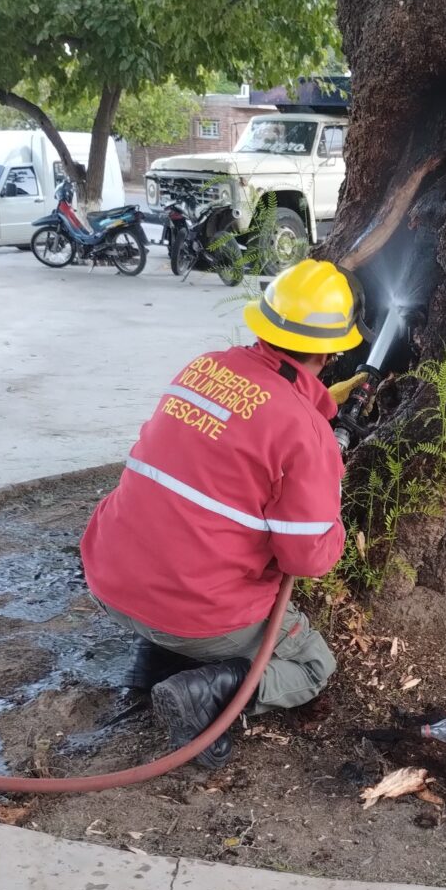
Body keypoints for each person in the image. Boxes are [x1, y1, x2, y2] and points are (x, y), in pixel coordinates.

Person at [80, 258, 363, 769]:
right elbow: (308, 558)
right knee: (314, 664)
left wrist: (317, 411)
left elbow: (238, 435)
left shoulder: (204, 367)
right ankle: (205, 694)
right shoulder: (306, 433)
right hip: (192, 611)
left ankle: (151, 664)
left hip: (110, 577)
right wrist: (330, 462)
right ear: (332, 348)